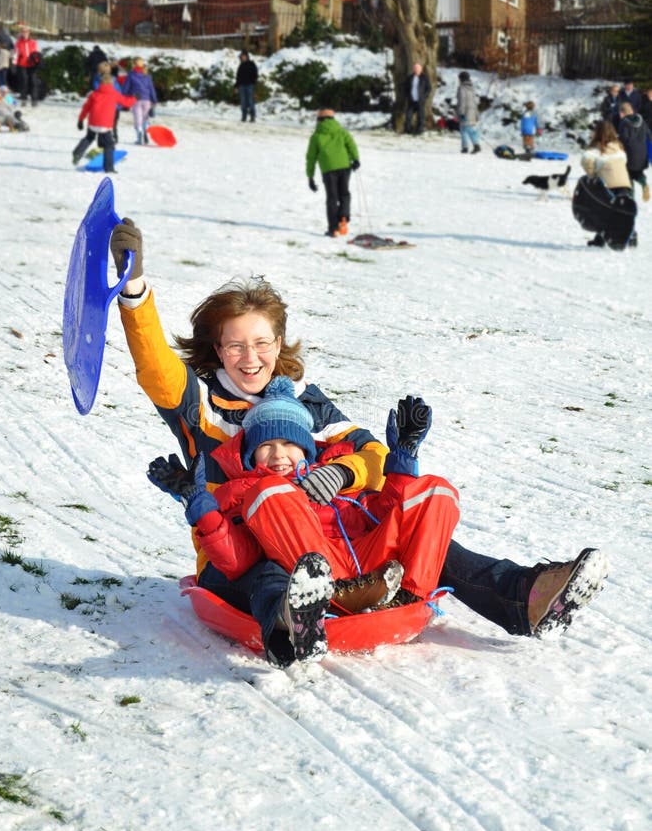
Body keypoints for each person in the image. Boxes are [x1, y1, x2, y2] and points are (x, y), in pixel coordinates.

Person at [107, 220, 609, 663]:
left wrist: (341, 472)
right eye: (236, 345)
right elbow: (155, 367)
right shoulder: (202, 405)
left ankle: (525, 597)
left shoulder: (306, 402)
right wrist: (134, 289)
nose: (250, 357)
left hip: (329, 549)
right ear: (218, 349)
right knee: (268, 575)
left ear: (279, 344)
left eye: (261, 343)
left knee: (424, 533)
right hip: (239, 551)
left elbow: (371, 455)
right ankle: (291, 623)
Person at [148, 381, 460, 665]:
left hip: (371, 566)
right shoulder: (245, 493)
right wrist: (202, 507)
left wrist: (402, 459)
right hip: (314, 575)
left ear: (306, 448)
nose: (277, 455)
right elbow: (238, 561)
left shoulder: (330, 477)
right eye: (266, 446)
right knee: (269, 490)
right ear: (250, 454)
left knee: (436, 488)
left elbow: (385, 515)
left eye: (288, 443)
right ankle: (329, 594)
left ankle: (409, 595)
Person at [306, 108, 360, 237]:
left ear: (319, 120)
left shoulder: (316, 136)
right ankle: (343, 218)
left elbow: (311, 158)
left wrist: (310, 177)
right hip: (345, 166)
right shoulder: (342, 132)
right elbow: (352, 145)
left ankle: (333, 229)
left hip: (328, 169)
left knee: (332, 198)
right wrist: (356, 159)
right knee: (344, 194)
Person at [580, 120, 634, 247]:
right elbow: (624, 160)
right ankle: (631, 236)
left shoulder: (596, 148)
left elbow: (586, 162)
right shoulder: (619, 146)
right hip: (624, 183)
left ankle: (600, 240)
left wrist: (592, 175)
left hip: (607, 184)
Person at [73, 73, 136, 171]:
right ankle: (109, 168)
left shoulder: (94, 94)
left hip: (93, 122)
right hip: (105, 124)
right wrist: (135, 98)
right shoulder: (114, 94)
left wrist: (81, 119)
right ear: (112, 83)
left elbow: (86, 108)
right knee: (109, 145)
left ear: (100, 82)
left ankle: (77, 152)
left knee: (89, 137)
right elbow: (126, 102)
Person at [617, 101, 651, 202]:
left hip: (630, 154)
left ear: (622, 113)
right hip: (642, 153)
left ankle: (631, 198)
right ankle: (644, 184)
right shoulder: (641, 120)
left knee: (628, 175)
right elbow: (649, 135)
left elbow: (623, 139)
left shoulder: (623, 122)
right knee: (638, 172)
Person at [121, 56, 157, 144]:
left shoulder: (131, 74)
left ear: (133, 64)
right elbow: (151, 88)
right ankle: (145, 132)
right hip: (147, 99)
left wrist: (123, 96)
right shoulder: (147, 75)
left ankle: (139, 138)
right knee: (145, 118)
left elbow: (125, 88)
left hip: (135, 99)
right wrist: (154, 100)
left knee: (138, 119)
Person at [14, 25, 40, 107]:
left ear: (29, 33)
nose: (25, 33)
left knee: (33, 82)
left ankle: (34, 100)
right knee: (24, 81)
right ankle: (23, 99)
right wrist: (14, 64)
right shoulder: (18, 43)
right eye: (23, 32)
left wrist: (37, 62)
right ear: (21, 33)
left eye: (26, 32)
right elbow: (15, 54)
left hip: (32, 65)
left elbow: (37, 53)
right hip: (22, 65)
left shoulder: (33, 42)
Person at [456, 71, 481, 154]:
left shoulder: (461, 88)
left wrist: (461, 113)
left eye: (459, 78)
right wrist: (477, 114)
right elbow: (475, 102)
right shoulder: (472, 88)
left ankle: (476, 144)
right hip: (472, 112)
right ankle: (465, 147)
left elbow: (462, 102)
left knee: (468, 129)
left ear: (461, 78)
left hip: (465, 112)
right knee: (463, 129)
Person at [403, 62, 431, 135]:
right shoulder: (410, 77)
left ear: (421, 69)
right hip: (411, 100)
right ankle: (407, 130)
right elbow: (406, 88)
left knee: (420, 117)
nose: (416, 70)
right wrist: (408, 96)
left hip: (420, 101)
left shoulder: (424, 78)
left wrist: (424, 96)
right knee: (408, 116)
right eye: (415, 68)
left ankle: (419, 131)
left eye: (418, 68)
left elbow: (429, 88)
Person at [235, 49, 258, 123]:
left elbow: (255, 75)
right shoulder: (241, 66)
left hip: (250, 85)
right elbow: (238, 77)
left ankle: (252, 116)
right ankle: (244, 117)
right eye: (241, 57)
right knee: (243, 102)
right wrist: (236, 86)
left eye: (243, 56)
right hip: (242, 86)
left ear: (247, 56)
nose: (242, 58)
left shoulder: (252, 64)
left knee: (251, 101)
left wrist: (253, 83)